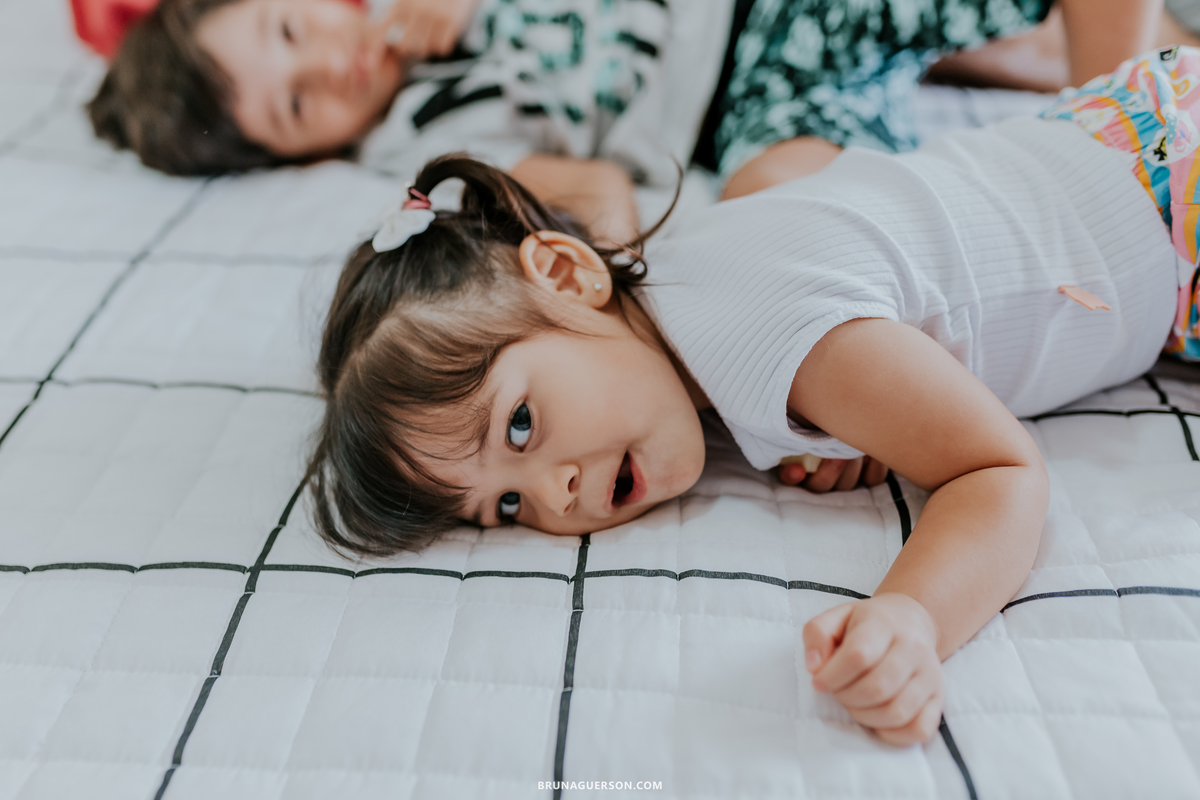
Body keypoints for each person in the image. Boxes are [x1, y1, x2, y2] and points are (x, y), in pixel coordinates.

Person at [305, 46, 1200, 746]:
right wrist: (861, 416)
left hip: (1173, 210)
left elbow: (1000, 473)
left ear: (571, 274)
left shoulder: (780, 344)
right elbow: (824, 201)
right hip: (1119, 125)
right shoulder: (697, 270)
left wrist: (912, 616)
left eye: (521, 424)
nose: (554, 493)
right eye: (505, 507)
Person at [86, 0, 1174, 242]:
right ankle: (1107, 146)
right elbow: (598, 190)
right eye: (297, 105)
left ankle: (1113, 118)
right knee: (776, 205)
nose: (326, 64)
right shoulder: (421, 138)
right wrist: (570, 225)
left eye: (289, 28)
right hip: (747, 102)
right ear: (306, 151)